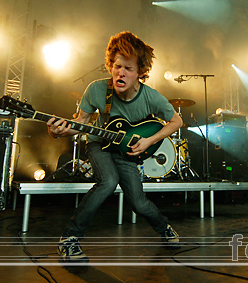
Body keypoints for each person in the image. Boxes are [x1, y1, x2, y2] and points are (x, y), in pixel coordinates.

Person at [47, 31, 183, 262]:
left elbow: (177, 121)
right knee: (108, 181)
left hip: (127, 151)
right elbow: (82, 122)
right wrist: (59, 131)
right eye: (117, 66)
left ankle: (164, 228)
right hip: (99, 144)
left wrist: (149, 141)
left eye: (128, 68)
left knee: (139, 203)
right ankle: (70, 238)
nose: (121, 72)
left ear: (140, 72)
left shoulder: (151, 97)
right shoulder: (97, 89)